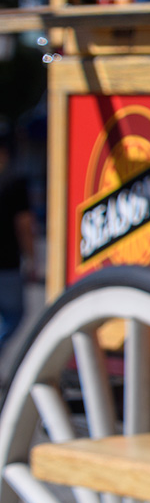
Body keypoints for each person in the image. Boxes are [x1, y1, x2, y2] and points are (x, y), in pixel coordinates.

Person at [0, 126, 37, 357]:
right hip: (7, 261)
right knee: (15, 315)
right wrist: (32, 259)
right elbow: (24, 227)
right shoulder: (14, 181)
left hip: (7, 261)